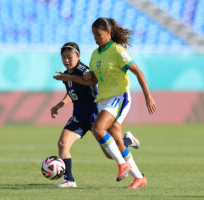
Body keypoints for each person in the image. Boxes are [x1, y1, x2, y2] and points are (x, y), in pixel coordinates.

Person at [54, 17, 156, 189]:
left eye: (98, 34)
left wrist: (148, 96)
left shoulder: (117, 51)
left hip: (119, 96)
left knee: (98, 128)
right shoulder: (95, 55)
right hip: (103, 100)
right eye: (93, 34)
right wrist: (72, 77)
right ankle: (139, 177)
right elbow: (91, 82)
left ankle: (122, 164)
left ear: (108, 33)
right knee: (115, 147)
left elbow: (137, 72)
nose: (95, 37)